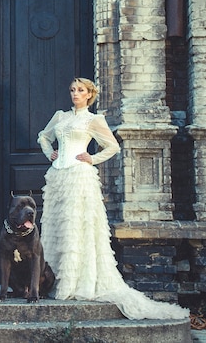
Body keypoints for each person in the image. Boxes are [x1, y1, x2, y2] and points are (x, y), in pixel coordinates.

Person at [37, 77, 189, 320]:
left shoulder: (94, 120)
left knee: (77, 226)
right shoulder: (60, 117)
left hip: (80, 176)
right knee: (57, 226)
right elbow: (43, 136)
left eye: (81, 90)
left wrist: (92, 159)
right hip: (57, 177)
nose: (75, 94)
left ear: (89, 94)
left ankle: (77, 283)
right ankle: (50, 281)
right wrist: (50, 153)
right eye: (73, 90)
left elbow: (112, 147)